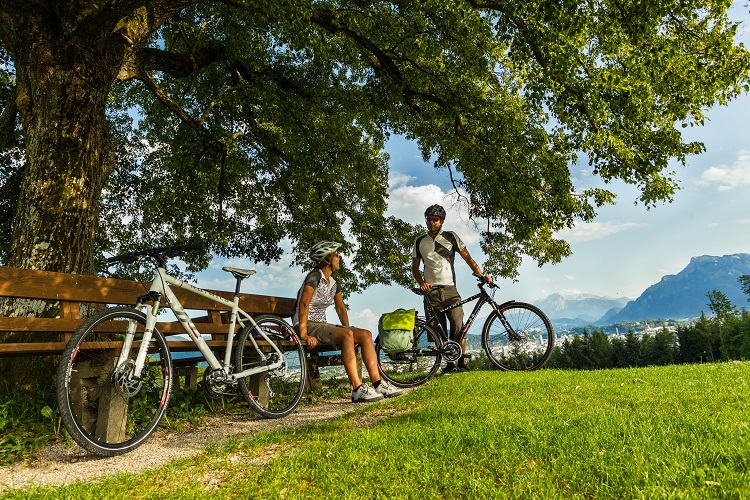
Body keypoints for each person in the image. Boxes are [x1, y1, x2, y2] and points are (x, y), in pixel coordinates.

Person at [293, 241, 402, 402]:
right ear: (327, 258)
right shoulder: (314, 276)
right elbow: (304, 304)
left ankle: (378, 383)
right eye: (337, 254)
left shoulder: (334, 282)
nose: (340, 258)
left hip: (321, 324)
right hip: (306, 324)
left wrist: (349, 329)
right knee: (347, 336)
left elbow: (340, 308)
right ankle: (357, 389)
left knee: (365, 335)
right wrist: (303, 334)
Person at [412, 204, 491, 373]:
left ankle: (461, 362)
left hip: (450, 289)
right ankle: (448, 365)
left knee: (458, 325)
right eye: (429, 219)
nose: (431, 222)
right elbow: (414, 268)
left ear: (442, 221)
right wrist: (421, 282)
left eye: (435, 219)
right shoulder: (419, 241)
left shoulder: (451, 237)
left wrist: (481, 274)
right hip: (430, 291)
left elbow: (468, 258)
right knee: (437, 330)